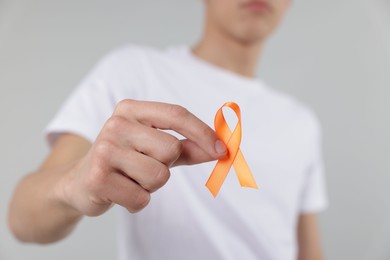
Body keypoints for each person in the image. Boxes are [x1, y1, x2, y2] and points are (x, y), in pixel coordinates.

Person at [8, 0, 328, 259]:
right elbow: (21, 217)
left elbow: (307, 250)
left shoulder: (302, 122)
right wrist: (74, 185)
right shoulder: (134, 73)